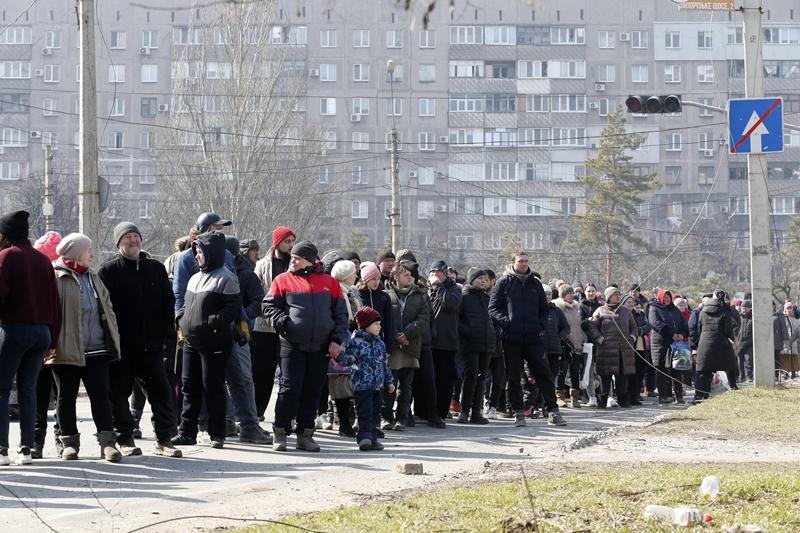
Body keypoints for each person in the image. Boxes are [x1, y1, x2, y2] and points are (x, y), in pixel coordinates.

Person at [98, 222, 182, 458]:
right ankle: (125, 438)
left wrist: (164, 333)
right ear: (118, 243)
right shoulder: (108, 271)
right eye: (127, 237)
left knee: (161, 393)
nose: (133, 240)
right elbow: (104, 310)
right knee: (118, 394)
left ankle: (164, 439)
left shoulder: (155, 268)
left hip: (152, 346)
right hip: (121, 348)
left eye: (136, 236)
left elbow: (168, 301)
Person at [263, 241, 348, 452]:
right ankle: (280, 432)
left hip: (320, 347)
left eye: (297, 258)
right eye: (292, 256)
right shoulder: (282, 280)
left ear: (310, 260)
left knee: (312, 391)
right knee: (289, 388)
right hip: (291, 344)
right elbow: (268, 305)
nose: (292, 260)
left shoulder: (330, 283)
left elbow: (341, 315)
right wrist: (282, 321)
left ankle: (305, 434)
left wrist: (336, 340)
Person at [47, 233, 122, 462]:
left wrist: (113, 337)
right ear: (77, 253)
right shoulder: (55, 277)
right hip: (66, 349)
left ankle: (108, 444)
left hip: (97, 348)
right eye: (89, 250)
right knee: (66, 397)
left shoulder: (93, 276)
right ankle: (69, 443)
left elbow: (107, 307)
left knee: (100, 396)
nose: (93, 254)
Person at [0, 211, 62, 466]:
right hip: (42, 333)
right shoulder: (42, 260)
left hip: (14, 330)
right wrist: (52, 340)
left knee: (1, 390)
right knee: (28, 391)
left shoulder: (6, 257)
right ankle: (26, 450)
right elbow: (55, 304)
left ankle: (1, 450)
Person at [172, 232, 242, 449]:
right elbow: (185, 303)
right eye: (197, 252)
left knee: (213, 388)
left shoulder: (227, 277)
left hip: (215, 343)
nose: (198, 256)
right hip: (192, 342)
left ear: (212, 253)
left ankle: (217, 433)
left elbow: (232, 308)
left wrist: (213, 322)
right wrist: (181, 319)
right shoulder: (195, 277)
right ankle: (187, 432)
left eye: (201, 252)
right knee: (189, 388)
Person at [488, 251, 566, 427]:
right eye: (520, 261)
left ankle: (553, 411)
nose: (523, 264)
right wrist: (507, 323)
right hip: (511, 338)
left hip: (533, 337)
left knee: (544, 374)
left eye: (526, 261)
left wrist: (540, 325)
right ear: (513, 263)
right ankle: (518, 412)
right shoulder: (504, 282)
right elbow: (493, 308)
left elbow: (544, 309)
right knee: (513, 376)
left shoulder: (535, 283)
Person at [221, 236, 270, 444]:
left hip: (240, 334)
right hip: (218, 332)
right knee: (222, 380)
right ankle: (226, 420)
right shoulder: (210, 270)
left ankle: (249, 422)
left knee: (243, 378)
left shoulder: (247, 274)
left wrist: (241, 315)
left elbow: (259, 302)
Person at [334, 307, 395, 451]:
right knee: (365, 412)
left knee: (375, 414)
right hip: (362, 385)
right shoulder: (356, 342)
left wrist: (390, 381)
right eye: (376, 324)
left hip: (377, 386)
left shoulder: (380, 343)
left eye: (380, 324)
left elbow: (384, 364)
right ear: (366, 325)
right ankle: (364, 438)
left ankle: (372, 439)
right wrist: (338, 355)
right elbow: (349, 360)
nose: (379, 327)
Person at [252, 226, 296, 421]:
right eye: (287, 241)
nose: (290, 245)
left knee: (289, 372)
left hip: (289, 324)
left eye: (292, 241)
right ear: (277, 242)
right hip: (264, 325)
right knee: (263, 371)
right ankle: (257, 411)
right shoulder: (262, 265)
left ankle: (287, 415)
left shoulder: (295, 265)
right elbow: (257, 291)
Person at [383, 262, 430, 431]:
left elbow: (424, 319)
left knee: (406, 385)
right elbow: (384, 318)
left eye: (411, 275)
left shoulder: (420, 295)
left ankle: (402, 418)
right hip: (393, 347)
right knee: (389, 383)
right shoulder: (386, 294)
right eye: (406, 275)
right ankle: (386, 417)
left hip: (411, 346)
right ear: (396, 277)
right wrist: (396, 335)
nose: (410, 277)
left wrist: (408, 334)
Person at [31, 231, 62, 459]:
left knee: (40, 394)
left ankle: (36, 440)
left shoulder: (37, 275)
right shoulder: (63, 275)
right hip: (56, 343)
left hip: (42, 342)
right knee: (61, 394)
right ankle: (58, 437)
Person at [328, 259, 362, 437]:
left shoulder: (352, 291)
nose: (355, 276)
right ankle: (343, 423)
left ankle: (353, 422)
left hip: (352, 340)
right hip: (340, 339)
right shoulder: (336, 291)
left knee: (351, 381)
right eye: (352, 273)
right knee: (340, 381)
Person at [589, 287, 638, 408]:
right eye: (615, 294)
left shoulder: (626, 312)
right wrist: (599, 339)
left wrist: (632, 338)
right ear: (609, 296)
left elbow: (634, 328)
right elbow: (592, 327)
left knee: (622, 379)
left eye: (618, 294)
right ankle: (602, 402)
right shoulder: (600, 311)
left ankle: (624, 402)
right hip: (606, 351)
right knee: (604, 378)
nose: (618, 296)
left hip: (623, 352)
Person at [457, 268, 495, 424]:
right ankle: (464, 411)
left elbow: (494, 319)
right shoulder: (464, 297)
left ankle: (476, 412)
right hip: (470, 343)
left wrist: (494, 333)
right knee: (470, 376)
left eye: (485, 279)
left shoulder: (487, 299)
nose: (483, 281)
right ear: (472, 280)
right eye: (480, 278)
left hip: (487, 344)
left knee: (481, 378)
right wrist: (468, 331)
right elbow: (457, 320)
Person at [428, 260, 462, 422]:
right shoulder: (428, 289)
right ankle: (428, 411)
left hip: (447, 342)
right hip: (430, 341)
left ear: (445, 273)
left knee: (445, 379)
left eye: (437, 272)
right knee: (430, 379)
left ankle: (441, 412)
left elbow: (450, 304)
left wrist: (439, 286)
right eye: (432, 272)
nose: (434, 276)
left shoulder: (454, 288)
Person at [693, 290, 739, 403]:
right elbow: (727, 330)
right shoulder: (725, 311)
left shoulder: (703, 310)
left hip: (705, 343)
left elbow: (698, 328)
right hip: (722, 344)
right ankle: (733, 388)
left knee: (703, 370)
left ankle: (699, 395)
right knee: (731, 366)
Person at [648, 289, 690, 404]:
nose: (667, 299)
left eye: (668, 297)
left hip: (675, 344)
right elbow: (656, 323)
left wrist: (682, 334)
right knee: (661, 369)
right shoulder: (654, 308)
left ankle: (679, 395)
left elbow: (683, 323)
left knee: (676, 368)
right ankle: (664, 395)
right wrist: (671, 334)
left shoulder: (674, 309)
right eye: (665, 297)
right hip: (660, 344)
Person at [553, 285, 586, 408]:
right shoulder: (558, 308)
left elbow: (579, 326)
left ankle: (575, 397)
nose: (571, 295)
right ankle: (560, 397)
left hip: (577, 344)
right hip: (564, 344)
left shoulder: (576, 308)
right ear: (562, 295)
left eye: (572, 293)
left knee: (575, 371)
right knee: (562, 371)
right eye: (568, 293)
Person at [541, 285, 570, 408]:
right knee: (542, 377)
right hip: (540, 350)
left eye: (549, 294)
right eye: (545, 294)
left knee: (552, 377)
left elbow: (566, 327)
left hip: (554, 349)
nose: (547, 296)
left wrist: (559, 337)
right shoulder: (536, 310)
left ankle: (550, 404)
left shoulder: (557, 311)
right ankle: (539, 403)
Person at [623, 295, 651, 405]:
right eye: (628, 302)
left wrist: (638, 331)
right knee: (629, 374)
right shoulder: (621, 314)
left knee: (639, 372)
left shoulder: (639, 314)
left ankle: (635, 396)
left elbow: (648, 326)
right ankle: (627, 396)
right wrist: (634, 332)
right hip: (627, 347)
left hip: (640, 346)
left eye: (632, 302)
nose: (630, 304)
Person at [736, 300, 754, 382]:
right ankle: (741, 377)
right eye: (743, 308)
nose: (743, 310)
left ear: (750, 309)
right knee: (740, 361)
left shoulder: (752, 318)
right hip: (739, 343)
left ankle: (749, 377)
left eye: (745, 308)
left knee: (748, 360)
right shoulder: (739, 317)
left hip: (749, 344)